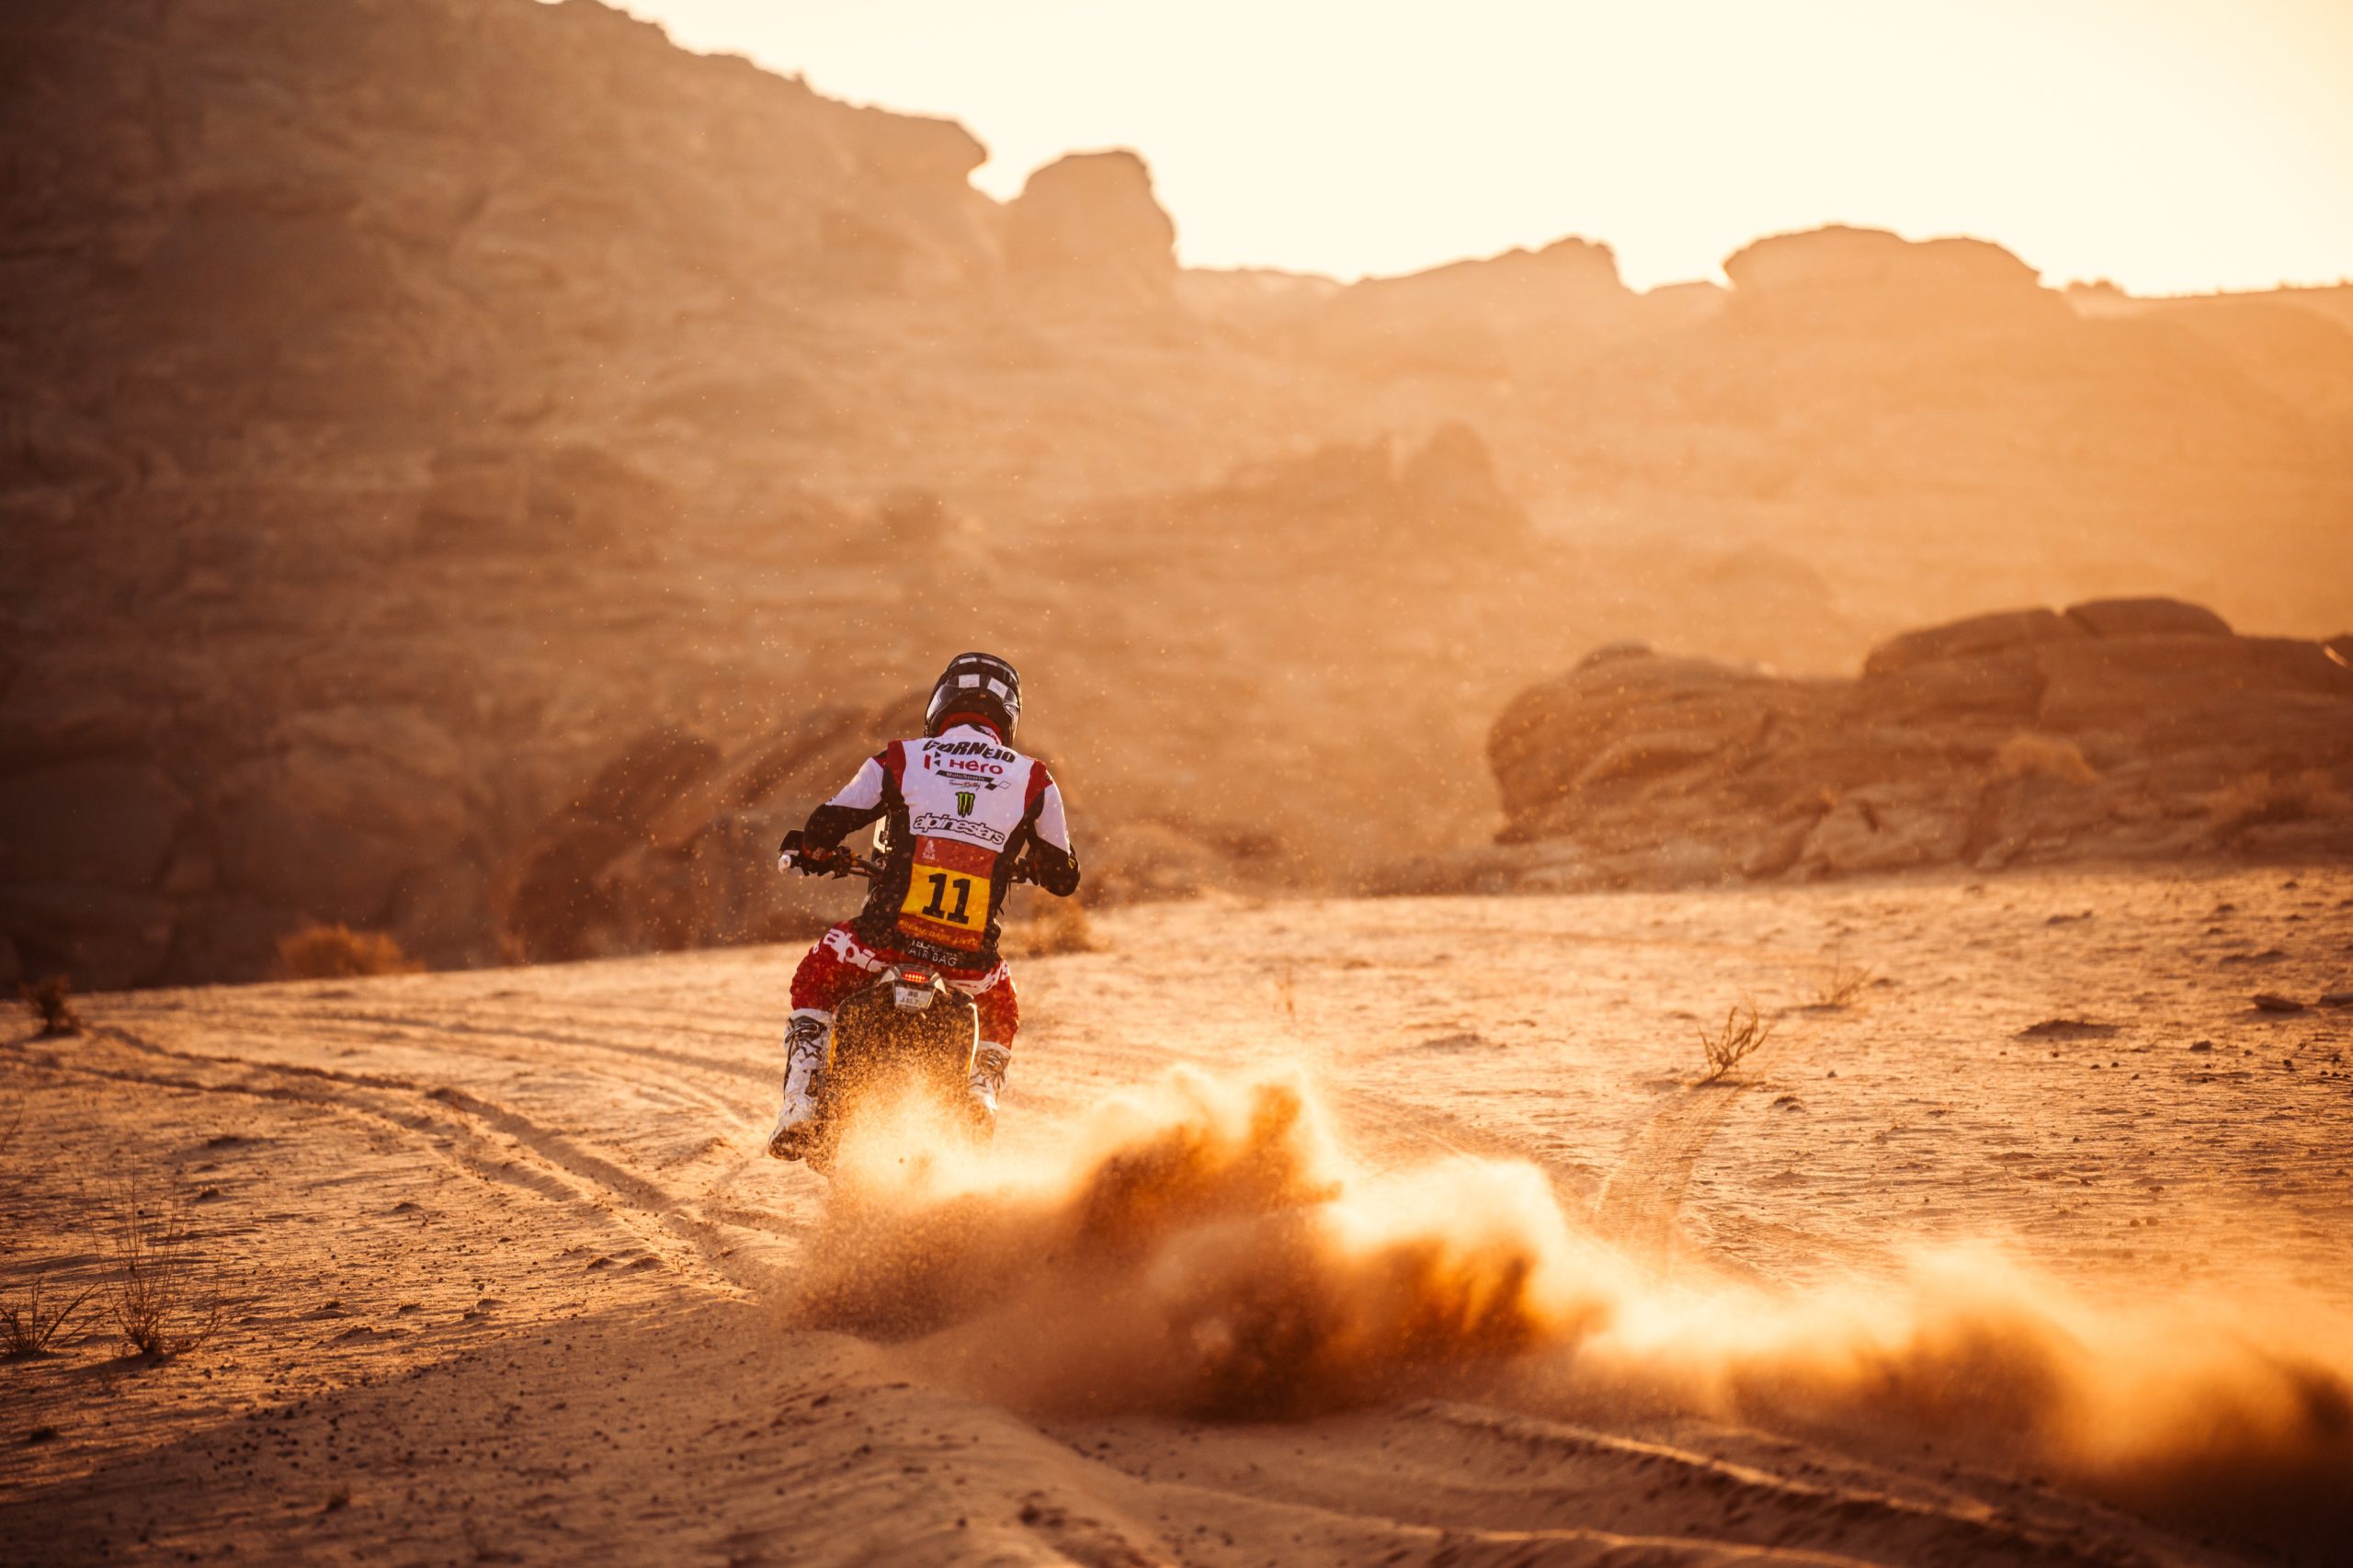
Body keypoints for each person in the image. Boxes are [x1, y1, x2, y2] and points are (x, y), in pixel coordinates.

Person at [766, 652, 1081, 1159]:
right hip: (968, 960)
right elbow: (1064, 878)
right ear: (1009, 717)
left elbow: (827, 824)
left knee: (815, 980)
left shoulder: (900, 758)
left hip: (884, 940)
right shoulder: (1035, 780)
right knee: (1002, 1011)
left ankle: (801, 1101)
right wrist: (1031, 865)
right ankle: (981, 1091)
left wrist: (814, 850)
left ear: (940, 705)